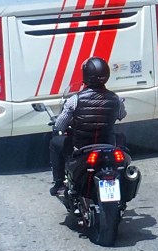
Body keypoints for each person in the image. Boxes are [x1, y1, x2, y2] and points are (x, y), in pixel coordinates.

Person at [49, 56, 127, 196]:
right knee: (122, 138)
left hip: (81, 147)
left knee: (55, 142)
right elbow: (122, 115)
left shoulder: (74, 100)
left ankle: (59, 183)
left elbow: (60, 126)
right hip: (107, 144)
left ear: (85, 75)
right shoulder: (116, 99)